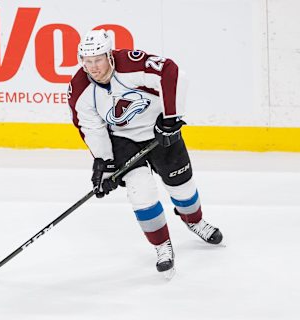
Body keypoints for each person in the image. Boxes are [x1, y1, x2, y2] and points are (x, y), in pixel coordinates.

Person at [67, 29, 223, 277]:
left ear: (109, 55)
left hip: (159, 130)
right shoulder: (79, 89)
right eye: (87, 60)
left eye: (98, 59)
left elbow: (171, 72)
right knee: (141, 192)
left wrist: (170, 119)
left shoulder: (131, 63)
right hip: (123, 140)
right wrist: (105, 164)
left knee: (182, 186)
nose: (93, 67)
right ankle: (162, 246)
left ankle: (194, 221)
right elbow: (91, 127)